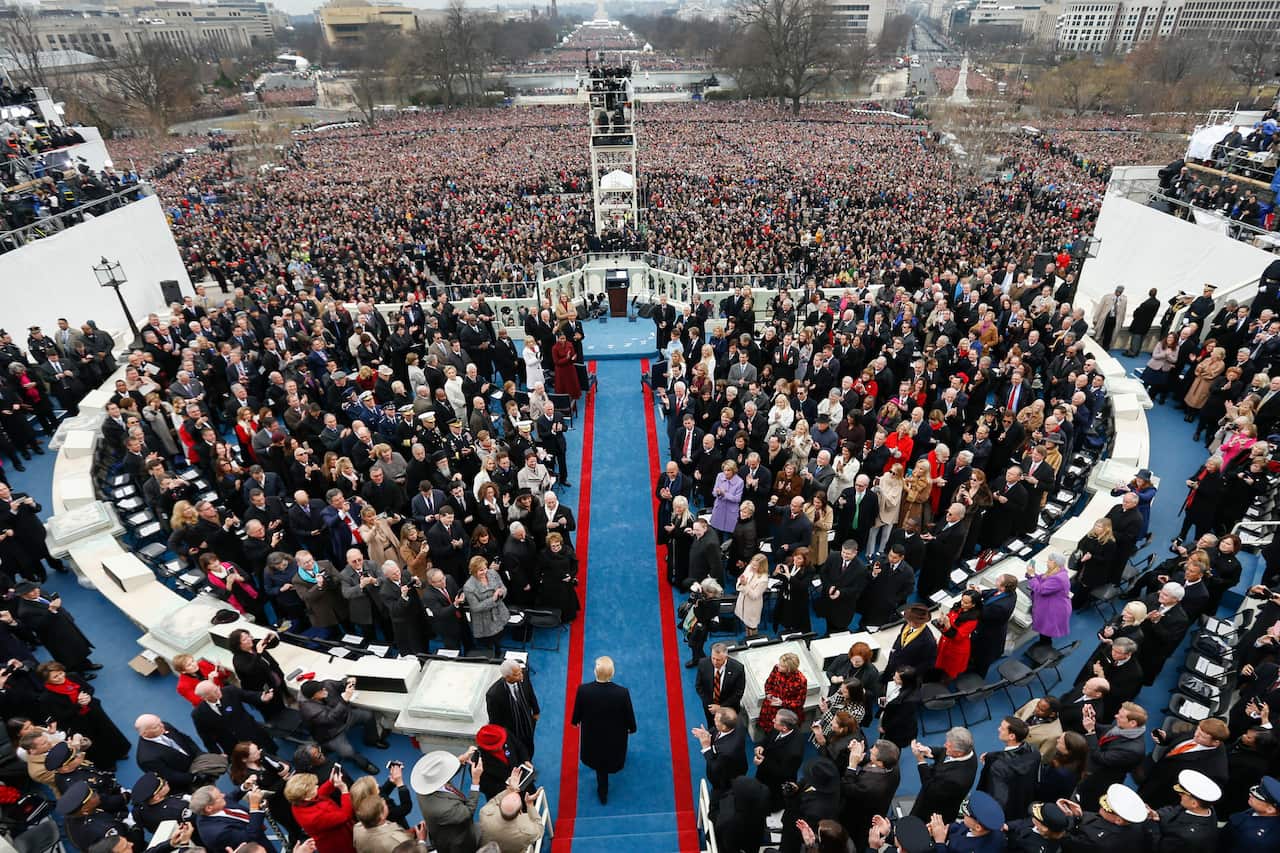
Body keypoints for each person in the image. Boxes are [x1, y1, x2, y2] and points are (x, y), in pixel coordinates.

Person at [36, 661, 130, 767]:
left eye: (61, 673)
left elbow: (89, 688)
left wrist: (87, 696)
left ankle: (119, 752)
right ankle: (107, 763)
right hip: (78, 722)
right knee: (94, 742)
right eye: (55, 677)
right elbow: (60, 716)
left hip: (93, 710)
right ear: (47, 680)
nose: (61, 677)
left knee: (107, 732)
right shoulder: (46, 698)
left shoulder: (73, 676)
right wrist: (78, 705)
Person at [570, 656, 636, 805]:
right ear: (612, 673)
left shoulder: (584, 690)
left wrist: (575, 722)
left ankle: (602, 792)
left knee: (599, 764)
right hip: (615, 735)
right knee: (611, 757)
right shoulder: (622, 693)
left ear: (595, 672)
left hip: (593, 735)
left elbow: (578, 711)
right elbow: (628, 714)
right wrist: (632, 728)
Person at [298, 678, 387, 774]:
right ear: (313, 697)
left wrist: (348, 681)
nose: (324, 690)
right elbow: (330, 719)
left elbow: (340, 684)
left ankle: (371, 740)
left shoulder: (326, 685)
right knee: (347, 752)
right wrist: (344, 700)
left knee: (368, 716)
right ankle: (364, 764)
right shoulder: (308, 710)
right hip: (331, 732)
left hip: (345, 716)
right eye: (321, 691)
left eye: (323, 688)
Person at [1137, 718, 1230, 808]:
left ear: (1215, 742)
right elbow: (1182, 738)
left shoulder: (1216, 769)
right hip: (1157, 772)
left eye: (1202, 736)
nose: (1196, 735)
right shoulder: (1201, 731)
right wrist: (1166, 738)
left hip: (1164, 792)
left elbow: (1208, 795)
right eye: (1197, 730)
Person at [410, 749, 482, 853]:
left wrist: (461, 759)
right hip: (456, 841)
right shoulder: (443, 809)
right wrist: (475, 781)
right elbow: (468, 812)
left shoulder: (423, 785)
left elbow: (442, 775)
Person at [908, 727, 978, 823]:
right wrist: (929, 751)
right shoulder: (967, 749)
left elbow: (929, 788)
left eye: (948, 746)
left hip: (934, 813)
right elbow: (944, 752)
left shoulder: (957, 780)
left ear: (959, 753)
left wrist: (921, 761)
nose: (945, 745)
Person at [977, 716, 1040, 820]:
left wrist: (991, 764)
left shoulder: (997, 766)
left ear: (1011, 736)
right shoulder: (1035, 753)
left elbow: (997, 797)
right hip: (1023, 804)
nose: (998, 729)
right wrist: (992, 756)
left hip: (1004, 815)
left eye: (1002, 728)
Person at [1142, 768, 1220, 851]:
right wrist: (1158, 815)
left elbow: (1159, 847)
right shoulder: (1205, 807)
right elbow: (1176, 810)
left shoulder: (1187, 837)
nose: (1179, 794)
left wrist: (1152, 824)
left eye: (1183, 794)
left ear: (1194, 803)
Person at [190, 783, 276, 853]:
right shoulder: (217, 833)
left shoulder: (213, 806)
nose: (223, 795)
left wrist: (244, 787)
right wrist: (254, 806)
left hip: (261, 840)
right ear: (209, 808)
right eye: (219, 796)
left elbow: (230, 797)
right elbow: (251, 836)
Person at [284, 770, 355, 853]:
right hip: (339, 843)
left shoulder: (298, 803)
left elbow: (319, 795)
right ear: (306, 797)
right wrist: (344, 791)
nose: (317, 786)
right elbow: (345, 815)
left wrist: (330, 782)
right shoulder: (314, 818)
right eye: (313, 787)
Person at [753, 708, 805, 811]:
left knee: (770, 801)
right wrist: (761, 746)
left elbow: (784, 773)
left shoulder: (794, 751)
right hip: (765, 773)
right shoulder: (780, 727)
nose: (773, 720)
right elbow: (768, 738)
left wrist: (763, 763)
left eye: (775, 720)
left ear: (784, 728)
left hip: (775, 783)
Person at [485, 661, 539, 759]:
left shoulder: (524, 675)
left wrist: (536, 711)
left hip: (527, 722)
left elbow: (530, 693)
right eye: (517, 674)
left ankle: (528, 761)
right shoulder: (494, 695)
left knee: (529, 744)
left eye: (520, 672)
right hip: (511, 731)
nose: (521, 675)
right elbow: (494, 720)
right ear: (507, 677)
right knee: (515, 752)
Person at [923, 789, 1004, 852]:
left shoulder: (971, 850)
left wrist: (940, 841)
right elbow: (961, 827)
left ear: (978, 827)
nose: (964, 814)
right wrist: (941, 829)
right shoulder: (984, 827)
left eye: (966, 814)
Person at [693, 707, 748, 802]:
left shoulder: (727, 751)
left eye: (717, 720)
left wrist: (706, 747)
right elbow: (716, 730)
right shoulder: (736, 721)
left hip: (726, 776)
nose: (714, 719)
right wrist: (708, 734)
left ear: (724, 727)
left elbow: (714, 767)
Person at [463, 556, 509, 655]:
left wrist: (501, 593)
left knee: (499, 636)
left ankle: (498, 652)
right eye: (481, 570)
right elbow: (475, 607)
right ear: (474, 571)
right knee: (489, 642)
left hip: (499, 612)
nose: (484, 572)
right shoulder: (468, 586)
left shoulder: (492, 573)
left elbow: (503, 587)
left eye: (485, 568)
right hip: (484, 619)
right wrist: (493, 599)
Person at [1222, 775, 1280, 852]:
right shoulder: (1260, 811)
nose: (1251, 794)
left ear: (1270, 809)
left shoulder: (1256, 840)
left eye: (1257, 797)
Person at [695, 643, 746, 730]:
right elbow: (699, 686)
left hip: (729, 708)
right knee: (712, 726)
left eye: (718, 660)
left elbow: (738, 693)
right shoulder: (703, 664)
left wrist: (720, 707)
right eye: (713, 658)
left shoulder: (738, 668)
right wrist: (710, 705)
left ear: (726, 657)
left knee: (729, 729)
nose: (715, 662)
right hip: (710, 707)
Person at [1027, 552, 1073, 647]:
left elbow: (1041, 589)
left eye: (1049, 560)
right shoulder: (1056, 572)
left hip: (1053, 610)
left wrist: (1032, 576)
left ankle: (1045, 648)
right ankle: (1043, 644)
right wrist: (1031, 574)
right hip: (1050, 606)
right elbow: (1041, 579)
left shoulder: (1058, 578)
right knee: (1044, 631)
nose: (1047, 562)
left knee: (1046, 631)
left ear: (1054, 563)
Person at [934, 590, 982, 680]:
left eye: (966, 603)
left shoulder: (972, 620)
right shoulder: (957, 607)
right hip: (945, 642)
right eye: (962, 600)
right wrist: (941, 621)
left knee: (949, 672)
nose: (962, 604)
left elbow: (957, 636)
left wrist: (947, 624)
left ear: (973, 604)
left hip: (956, 648)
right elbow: (949, 617)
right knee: (939, 663)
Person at [758, 652, 807, 733]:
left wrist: (783, 703)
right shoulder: (776, 668)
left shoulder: (801, 681)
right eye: (779, 663)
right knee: (769, 731)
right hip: (771, 707)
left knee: (784, 734)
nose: (778, 666)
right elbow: (769, 682)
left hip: (787, 712)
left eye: (782, 665)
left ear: (789, 669)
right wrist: (768, 693)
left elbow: (799, 702)